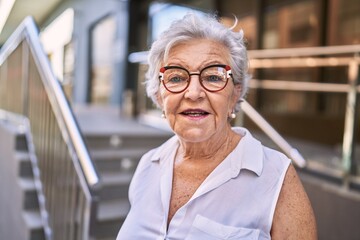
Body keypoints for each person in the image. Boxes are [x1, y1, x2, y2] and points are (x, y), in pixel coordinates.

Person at [117, 12, 317, 240]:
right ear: (159, 95)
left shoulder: (277, 177)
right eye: (176, 78)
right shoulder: (148, 166)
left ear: (235, 93)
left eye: (213, 77)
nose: (193, 93)